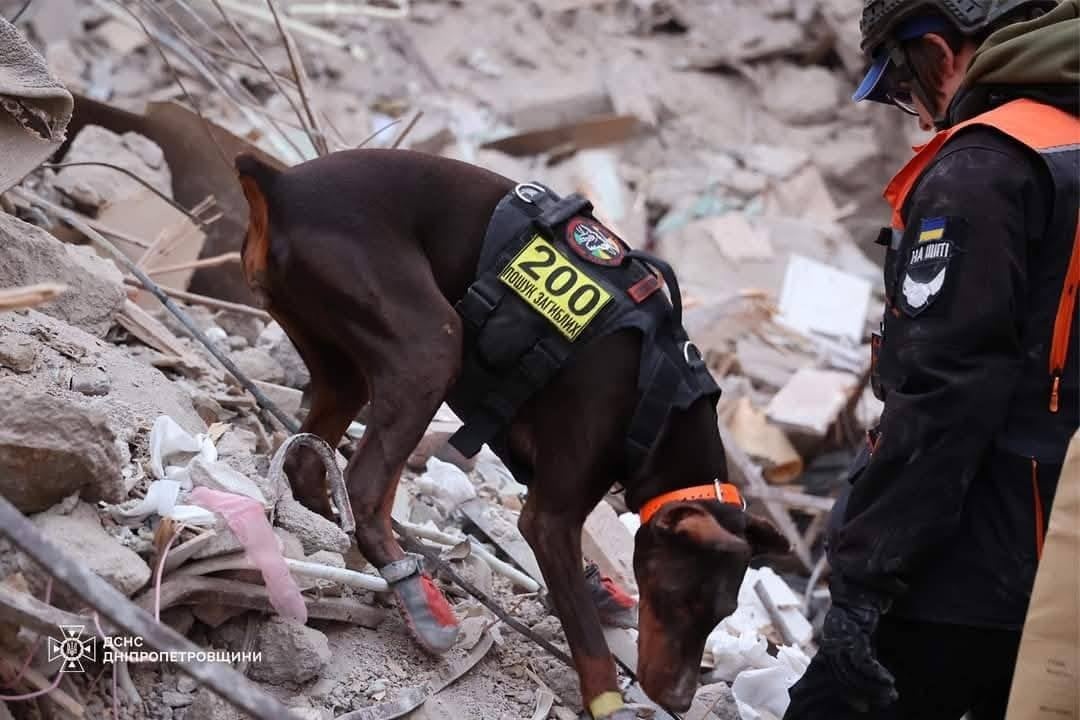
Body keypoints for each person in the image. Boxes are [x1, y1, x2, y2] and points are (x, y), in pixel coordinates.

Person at [784, 0, 1079, 718]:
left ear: (942, 52)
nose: (916, 117)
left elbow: (945, 392)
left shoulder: (983, 167)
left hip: (975, 564)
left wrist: (864, 577)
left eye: (901, 86)